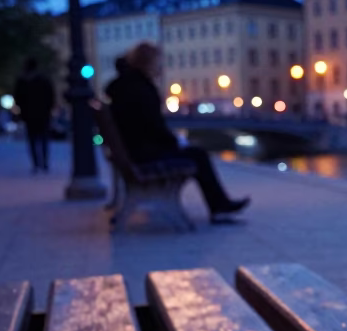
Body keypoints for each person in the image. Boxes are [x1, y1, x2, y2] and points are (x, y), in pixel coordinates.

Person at [105, 43, 249, 220]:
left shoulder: (124, 86)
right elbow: (154, 127)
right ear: (148, 63)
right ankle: (219, 206)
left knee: (195, 153)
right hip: (144, 155)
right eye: (159, 63)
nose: (161, 68)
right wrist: (174, 142)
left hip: (133, 153)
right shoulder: (141, 89)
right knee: (199, 155)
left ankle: (220, 205)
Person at [13, 58, 55, 172]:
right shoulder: (44, 80)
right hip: (43, 114)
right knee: (44, 139)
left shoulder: (22, 81)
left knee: (32, 139)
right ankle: (44, 162)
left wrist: (21, 112)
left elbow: (18, 98)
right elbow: (51, 96)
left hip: (29, 115)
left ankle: (36, 163)